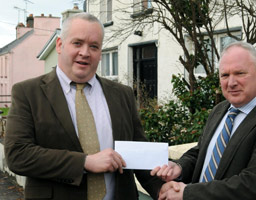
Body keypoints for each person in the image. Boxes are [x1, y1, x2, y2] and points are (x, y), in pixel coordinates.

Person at [5, 12, 163, 200]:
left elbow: (137, 150)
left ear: (100, 52)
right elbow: (18, 155)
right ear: (60, 45)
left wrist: (162, 190)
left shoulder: (123, 94)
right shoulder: (28, 93)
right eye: (77, 43)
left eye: (94, 46)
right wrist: (85, 162)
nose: (85, 53)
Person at [151, 41, 256, 200]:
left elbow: (252, 187)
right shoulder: (220, 110)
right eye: (225, 75)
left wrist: (188, 193)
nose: (231, 83)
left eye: (240, 73)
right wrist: (179, 167)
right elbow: (201, 152)